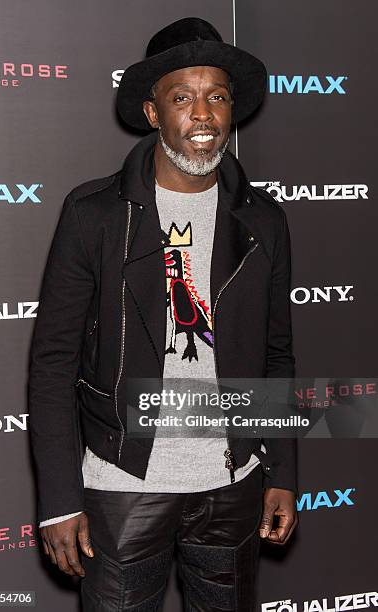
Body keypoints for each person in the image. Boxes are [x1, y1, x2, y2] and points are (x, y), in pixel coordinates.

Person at [28, 17, 298, 611]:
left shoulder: (264, 219)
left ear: (232, 110)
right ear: (154, 114)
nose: (203, 116)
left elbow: (277, 354)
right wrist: (58, 498)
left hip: (233, 483)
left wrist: (281, 469)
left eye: (217, 98)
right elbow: (53, 363)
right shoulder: (95, 215)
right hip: (124, 485)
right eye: (183, 98)